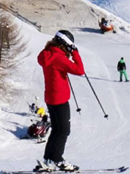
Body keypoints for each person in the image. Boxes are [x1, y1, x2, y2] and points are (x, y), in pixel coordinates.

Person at [36, 30, 84, 172]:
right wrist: (75, 53)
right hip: (60, 99)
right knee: (63, 131)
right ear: (65, 44)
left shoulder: (46, 53)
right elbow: (80, 70)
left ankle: (49, 159)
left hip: (51, 98)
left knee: (56, 130)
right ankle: (57, 159)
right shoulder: (59, 58)